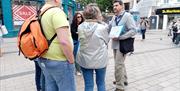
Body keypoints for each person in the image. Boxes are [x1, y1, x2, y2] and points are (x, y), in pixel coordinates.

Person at [37, 0, 76, 91]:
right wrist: (71, 60)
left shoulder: (41, 12)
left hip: (44, 58)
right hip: (60, 61)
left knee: (50, 87)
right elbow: (64, 41)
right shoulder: (57, 12)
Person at [77, 3, 109, 91]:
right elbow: (107, 41)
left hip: (85, 59)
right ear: (97, 14)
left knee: (88, 85)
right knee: (101, 83)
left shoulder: (80, 27)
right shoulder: (102, 27)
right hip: (100, 58)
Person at [109, 0, 136, 91]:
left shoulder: (127, 16)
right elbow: (109, 27)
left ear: (122, 6)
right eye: (113, 6)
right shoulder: (114, 17)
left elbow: (133, 30)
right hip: (115, 44)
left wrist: (121, 37)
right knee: (120, 64)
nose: (114, 8)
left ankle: (120, 87)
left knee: (118, 65)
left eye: (116, 5)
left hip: (122, 44)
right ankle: (124, 80)